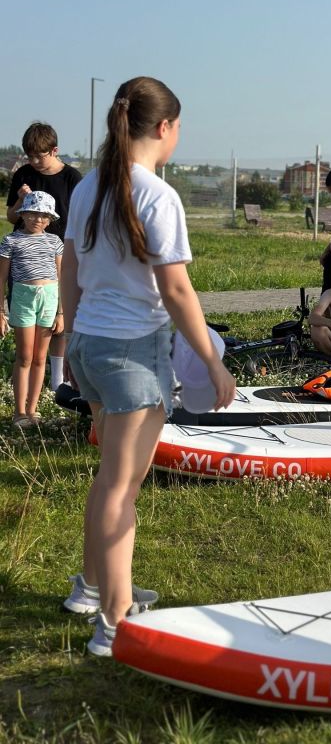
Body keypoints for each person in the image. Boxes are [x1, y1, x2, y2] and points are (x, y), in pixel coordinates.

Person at [60, 77, 236, 656]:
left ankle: (91, 589)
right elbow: (178, 291)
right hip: (131, 353)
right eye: (179, 126)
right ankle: (113, 626)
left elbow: (69, 267)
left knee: (111, 479)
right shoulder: (157, 195)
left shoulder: (88, 187)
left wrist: (74, 328)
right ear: (164, 128)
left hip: (89, 344)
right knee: (121, 488)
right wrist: (214, 364)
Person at [6, 123, 82, 391]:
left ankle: (57, 378)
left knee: (57, 317)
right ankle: (22, 368)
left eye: (40, 156)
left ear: (55, 150)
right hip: (25, 253)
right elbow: (11, 217)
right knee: (23, 310)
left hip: (59, 252)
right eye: (29, 156)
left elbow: (81, 217)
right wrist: (19, 200)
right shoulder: (24, 174)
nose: (34, 162)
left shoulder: (72, 178)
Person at [0, 191, 63, 425]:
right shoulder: (11, 241)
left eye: (44, 215)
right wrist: (0, 312)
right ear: (23, 214)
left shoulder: (54, 242)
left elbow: (60, 276)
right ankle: (19, 412)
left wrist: (61, 312)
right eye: (33, 214)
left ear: (50, 218)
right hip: (23, 298)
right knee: (24, 356)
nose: (39, 219)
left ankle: (33, 409)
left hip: (49, 299)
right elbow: (2, 278)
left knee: (39, 358)